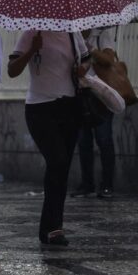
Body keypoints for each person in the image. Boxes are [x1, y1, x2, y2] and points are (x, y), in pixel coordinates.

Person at [8, 30, 89, 246]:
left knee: (61, 168)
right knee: (57, 160)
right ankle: (51, 226)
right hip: (39, 108)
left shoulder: (73, 33)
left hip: (69, 106)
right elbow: (12, 70)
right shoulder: (30, 33)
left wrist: (83, 69)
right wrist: (32, 50)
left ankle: (53, 228)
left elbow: (87, 59)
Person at [72, 27, 116, 198]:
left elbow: (109, 60)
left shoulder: (102, 33)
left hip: (100, 95)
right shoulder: (73, 34)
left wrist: (90, 49)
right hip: (81, 93)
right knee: (83, 141)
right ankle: (87, 183)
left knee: (104, 139)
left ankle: (107, 184)